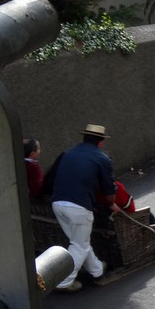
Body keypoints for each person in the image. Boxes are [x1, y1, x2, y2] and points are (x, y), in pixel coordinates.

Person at [51, 124, 120, 292]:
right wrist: (111, 204)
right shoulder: (102, 158)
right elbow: (109, 189)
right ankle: (64, 282)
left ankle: (97, 270)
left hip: (57, 203)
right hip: (78, 207)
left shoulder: (69, 153)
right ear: (101, 142)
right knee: (79, 246)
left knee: (79, 241)